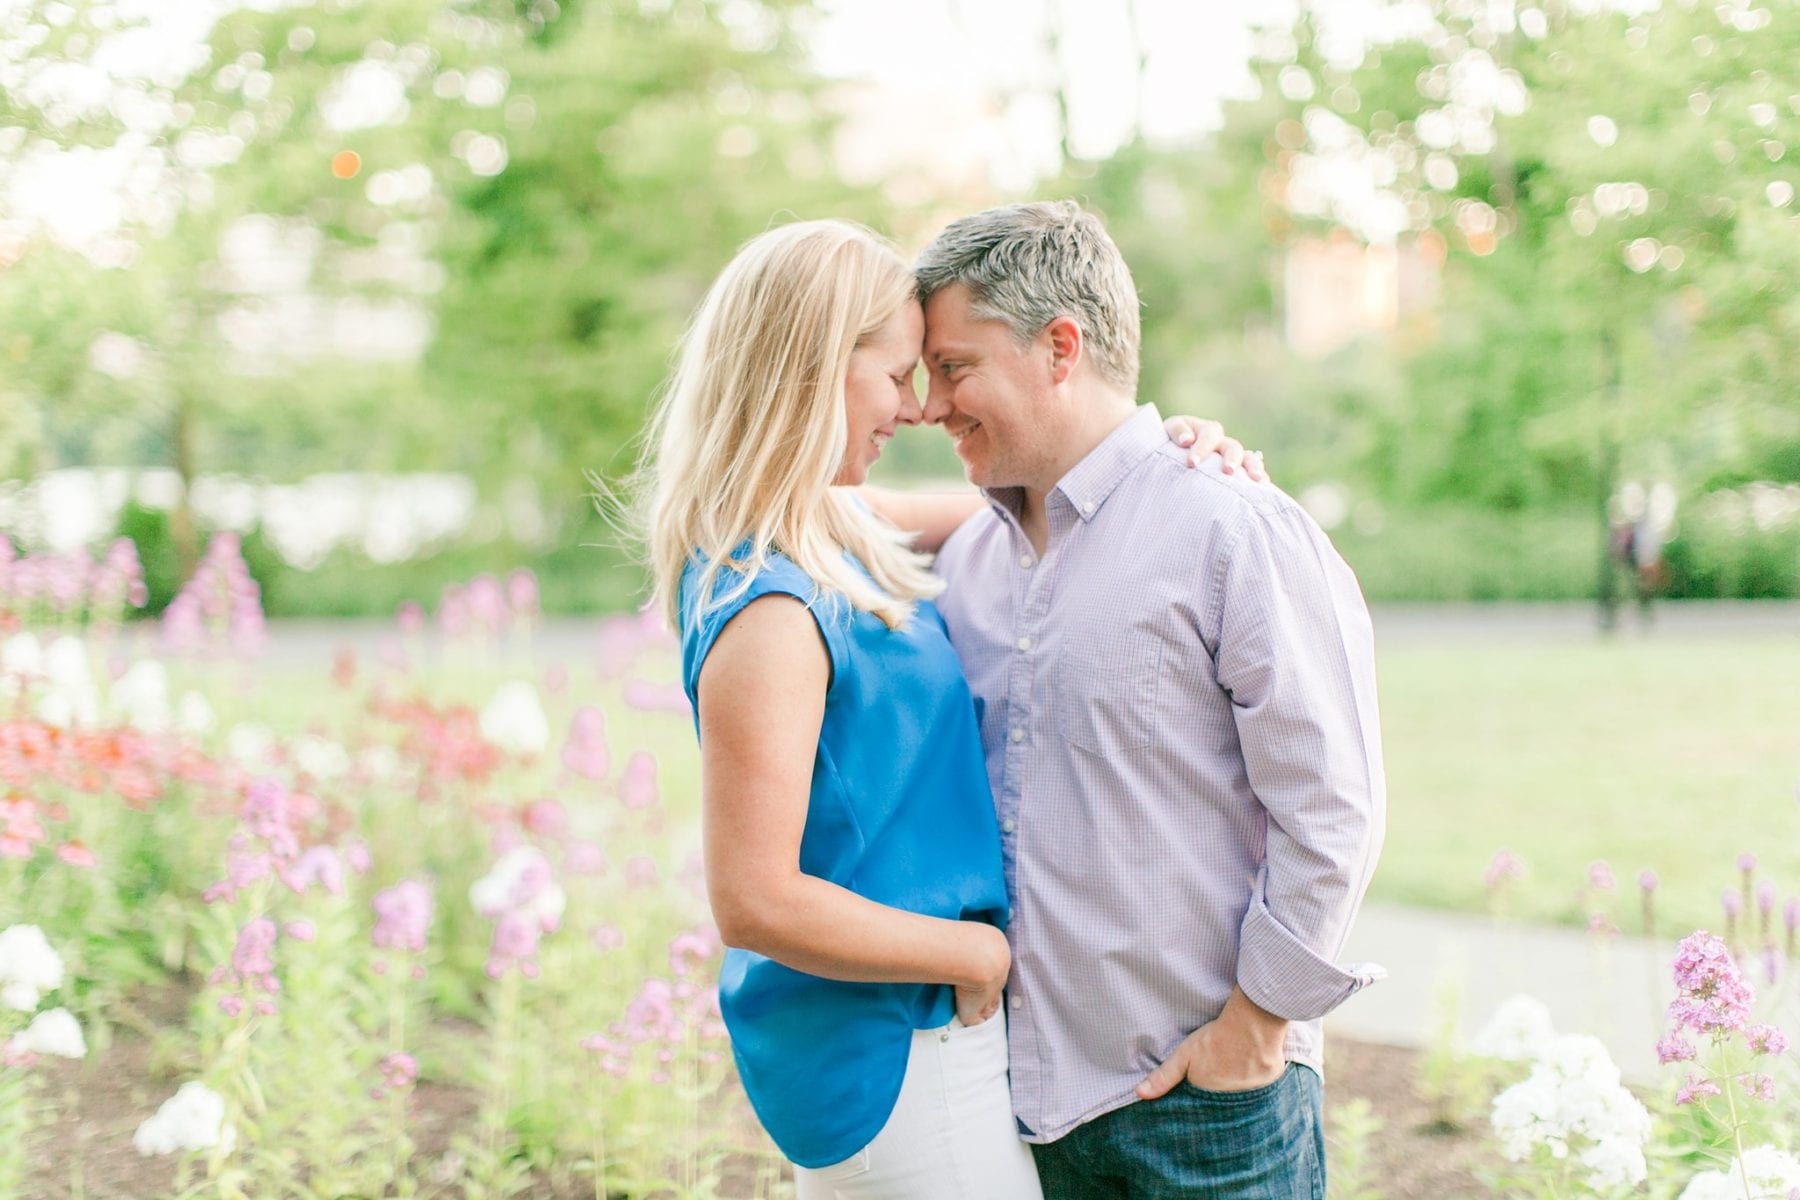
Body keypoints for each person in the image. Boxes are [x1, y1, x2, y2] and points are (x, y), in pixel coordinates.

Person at [636, 218, 1255, 1195]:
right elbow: (751, 899)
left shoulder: (828, 529)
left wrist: (1170, 450)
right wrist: (975, 952)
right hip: (889, 1045)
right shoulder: (770, 600)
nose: (916, 407)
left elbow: (1054, 491)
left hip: (917, 1027)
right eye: (895, 374)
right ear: (813, 369)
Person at [914, 200, 1387, 1200]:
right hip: (1024, 1116)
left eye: (955, 368)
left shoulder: (1232, 528)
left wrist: (1255, 1028)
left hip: (1207, 1115)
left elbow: (1332, 803)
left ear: (1059, 346)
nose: (929, 405)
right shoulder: (968, 562)